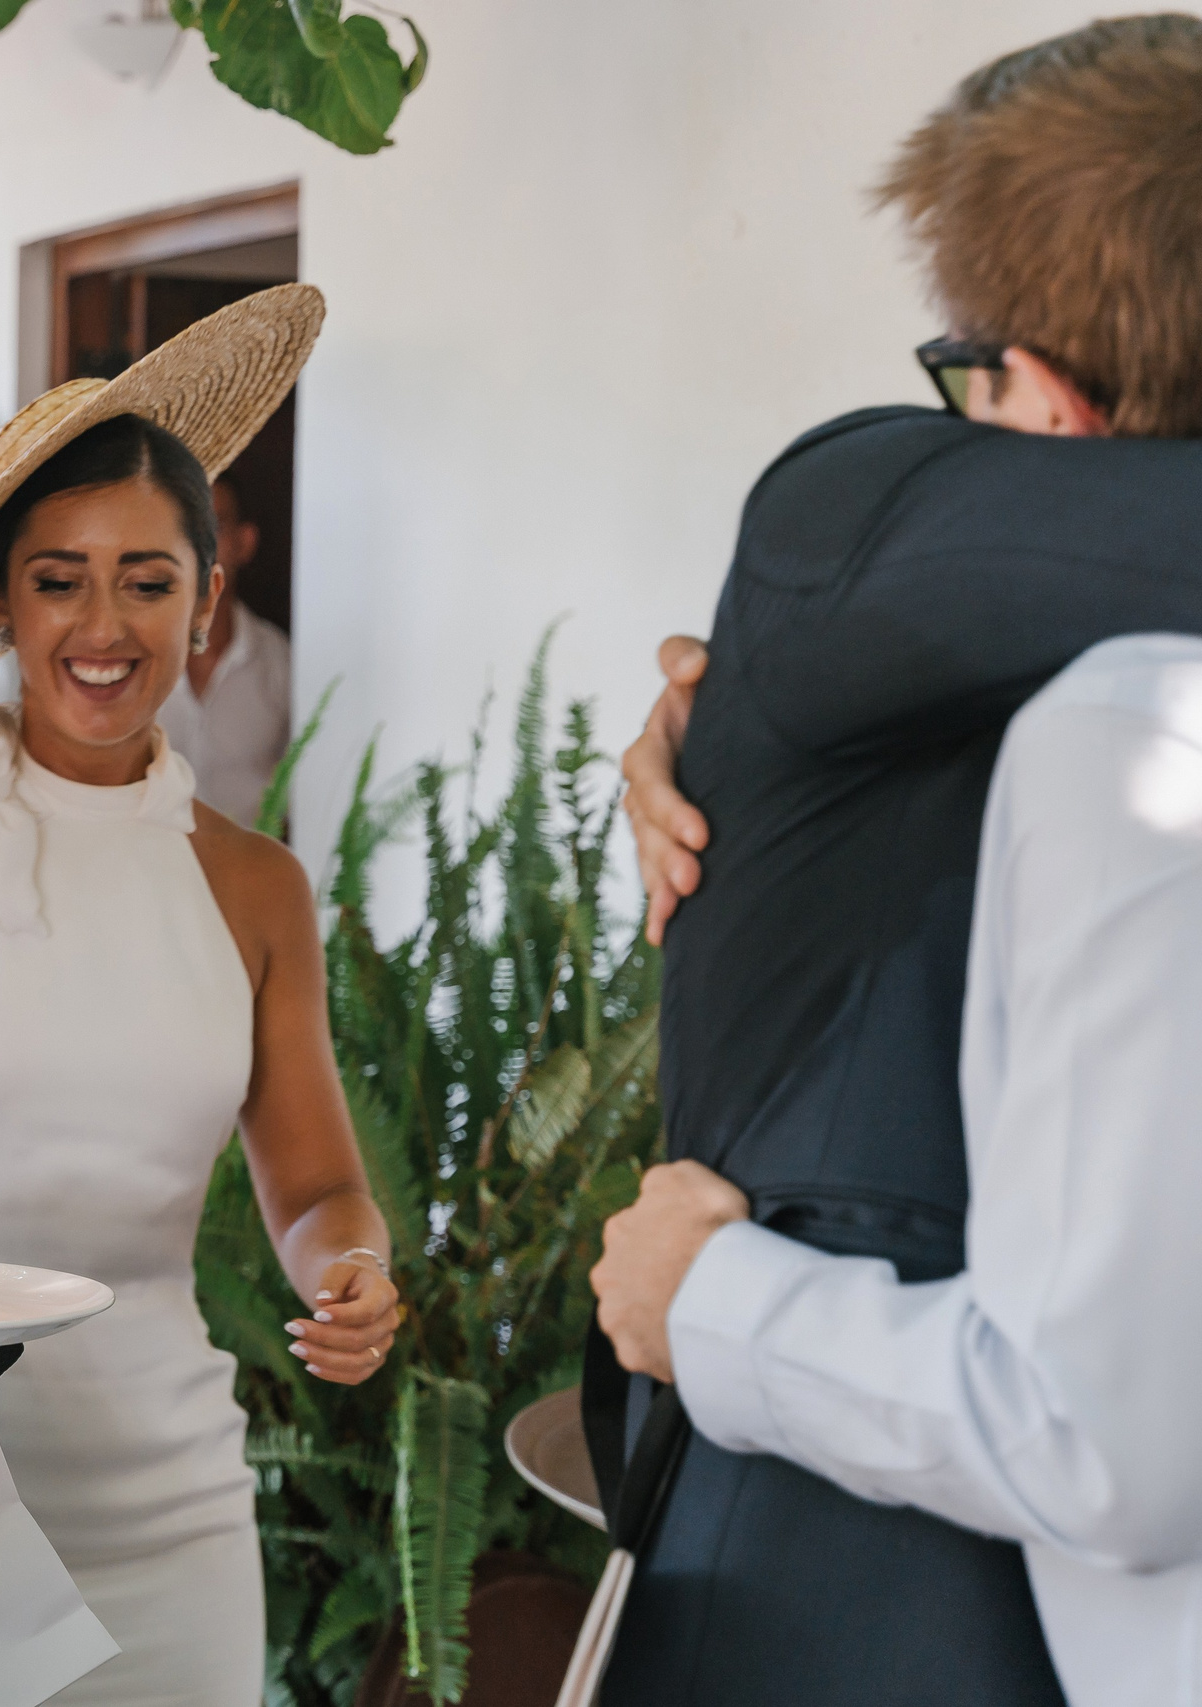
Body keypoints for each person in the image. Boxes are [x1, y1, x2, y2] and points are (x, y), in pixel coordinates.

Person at [580, 18, 1202, 1704]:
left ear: (1046, 405)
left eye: (970, 381)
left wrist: (708, 1302)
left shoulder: (849, 527)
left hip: (851, 1566)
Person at [0, 284, 402, 1706]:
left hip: (176, 1496)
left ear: (207, 599)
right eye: (58, 577)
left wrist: (351, 1264)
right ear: (2, 602)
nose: (105, 623)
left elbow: (318, 1174)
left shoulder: (258, 886)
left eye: (148, 578)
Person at [157, 477, 293, 824]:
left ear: (243, 543)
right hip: (144, 872)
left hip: (252, 872)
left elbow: (311, 792)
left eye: (213, 526)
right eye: (184, 528)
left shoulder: (282, 664)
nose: (196, 545)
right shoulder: (129, 658)